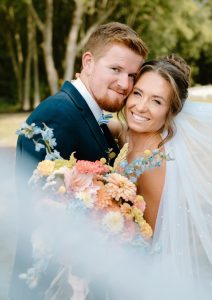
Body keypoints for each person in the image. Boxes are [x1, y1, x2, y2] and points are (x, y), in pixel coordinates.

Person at [10, 22, 148, 300]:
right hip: (53, 286)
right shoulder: (58, 114)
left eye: (132, 75)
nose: (125, 85)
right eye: (116, 70)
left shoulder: (89, 114)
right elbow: (41, 212)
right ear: (88, 62)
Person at [107, 54, 212, 299]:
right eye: (137, 93)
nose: (140, 106)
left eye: (156, 101)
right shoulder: (129, 134)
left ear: (171, 111)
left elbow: (156, 237)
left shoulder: (154, 161)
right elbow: (117, 127)